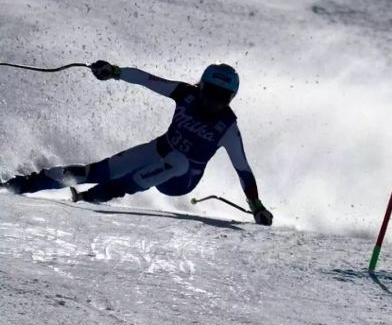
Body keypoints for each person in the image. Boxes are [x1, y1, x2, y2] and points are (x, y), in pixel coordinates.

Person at [0, 61, 274, 226]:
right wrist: (114, 71)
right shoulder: (185, 94)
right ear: (200, 86)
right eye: (211, 93)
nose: (214, 102)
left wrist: (256, 206)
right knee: (90, 172)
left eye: (222, 98)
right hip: (159, 150)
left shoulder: (227, 126)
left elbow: (243, 169)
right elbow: (146, 80)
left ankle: (95, 197)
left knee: (177, 161)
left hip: (182, 179)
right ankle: (19, 185)